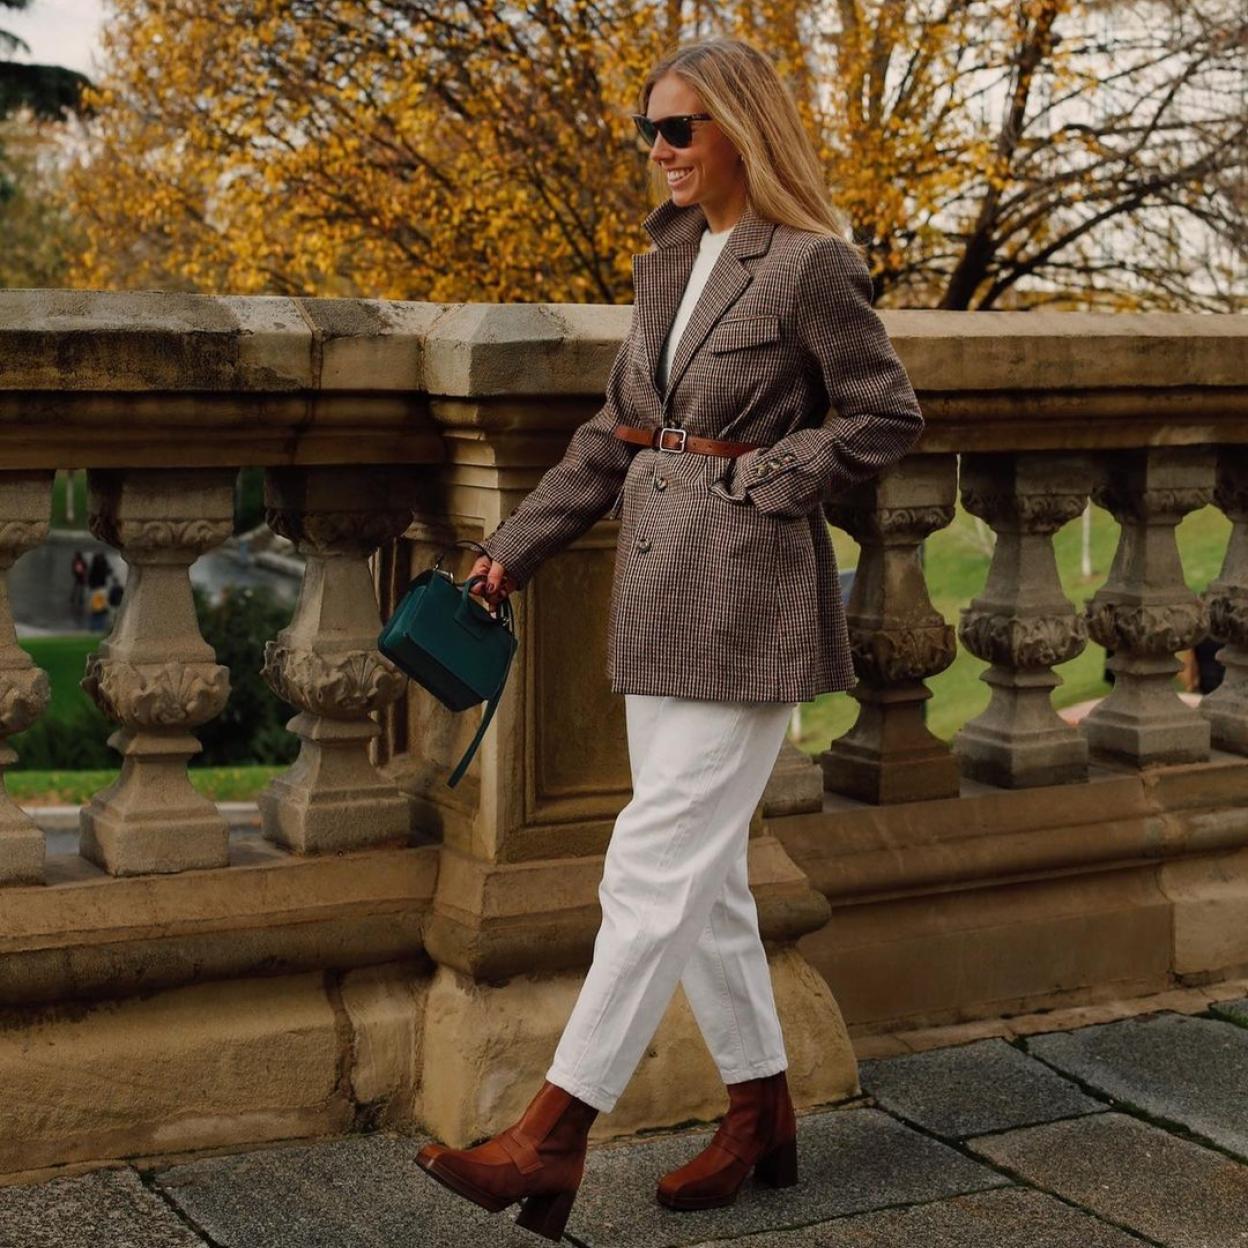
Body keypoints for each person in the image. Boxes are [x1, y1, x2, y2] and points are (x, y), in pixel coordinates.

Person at [415, 36, 925, 1242]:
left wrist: (768, 479)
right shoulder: (668, 262)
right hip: (654, 597)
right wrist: (511, 553)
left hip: (748, 603)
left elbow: (886, 413)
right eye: (651, 128)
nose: (659, 149)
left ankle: (549, 1138)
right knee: (707, 882)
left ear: (739, 128)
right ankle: (762, 1117)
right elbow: (614, 434)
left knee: (649, 870)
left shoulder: (809, 267)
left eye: (679, 128)